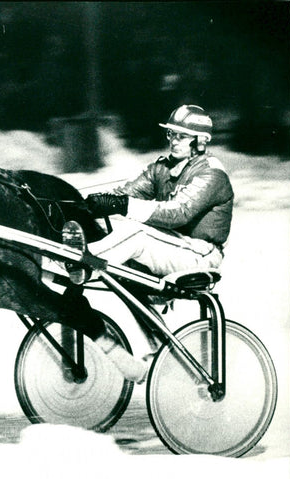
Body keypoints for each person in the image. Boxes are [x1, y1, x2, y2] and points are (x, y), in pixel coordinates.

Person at [62, 104, 234, 383]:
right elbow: (123, 193)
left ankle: (80, 261)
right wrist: (86, 205)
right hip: (171, 249)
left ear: (200, 141)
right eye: (171, 135)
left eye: (181, 136)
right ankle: (161, 351)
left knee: (136, 234)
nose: (173, 141)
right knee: (123, 271)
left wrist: (121, 205)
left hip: (201, 255)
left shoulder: (212, 173)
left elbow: (178, 213)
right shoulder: (161, 169)